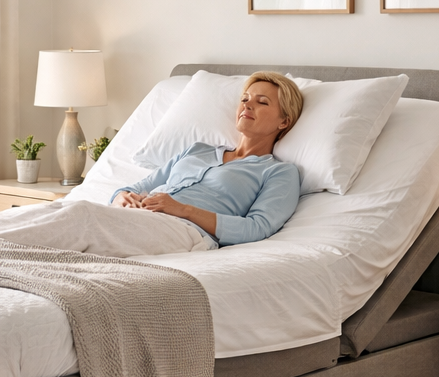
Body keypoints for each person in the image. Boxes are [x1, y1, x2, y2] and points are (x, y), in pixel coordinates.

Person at [111, 71, 303, 246]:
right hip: (138, 217)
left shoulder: (279, 172)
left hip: (183, 231)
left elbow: (257, 227)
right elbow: (136, 188)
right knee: (85, 215)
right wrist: (122, 198)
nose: (247, 105)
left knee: (83, 216)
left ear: (284, 121)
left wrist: (184, 210)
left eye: (262, 102)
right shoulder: (197, 150)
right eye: (244, 99)